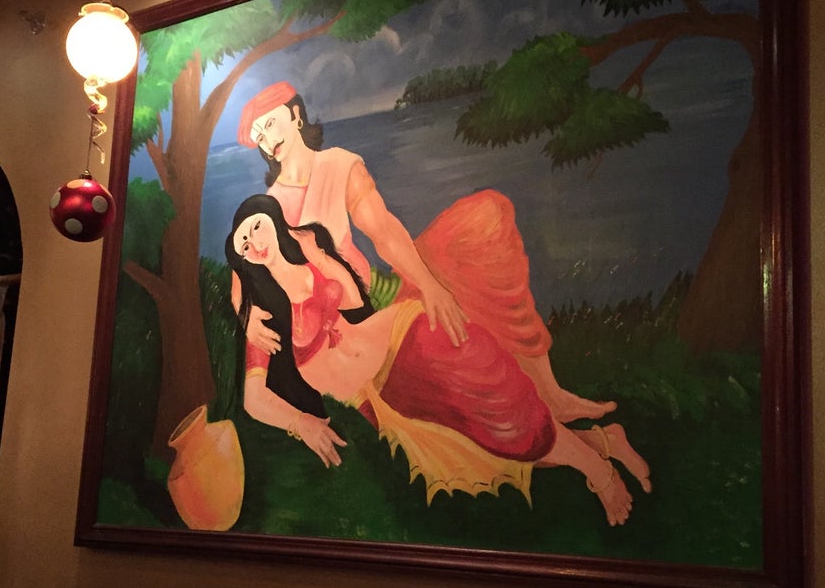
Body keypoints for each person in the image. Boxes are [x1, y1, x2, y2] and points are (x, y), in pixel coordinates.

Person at [225, 195, 651, 526]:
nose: (255, 243)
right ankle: (604, 443)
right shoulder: (259, 317)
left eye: (257, 227)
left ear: (273, 221)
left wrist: (320, 258)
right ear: (241, 260)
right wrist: (300, 422)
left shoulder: (313, 256)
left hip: (399, 338)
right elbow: (253, 398)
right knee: (481, 450)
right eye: (244, 243)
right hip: (374, 400)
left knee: (498, 405)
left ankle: (598, 472)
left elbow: (356, 307)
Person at [233, 81, 615, 423]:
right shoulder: (265, 209)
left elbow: (383, 232)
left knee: (485, 221)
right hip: (352, 324)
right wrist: (246, 318)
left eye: (270, 124)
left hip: (381, 290)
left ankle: (550, 394)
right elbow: (243, 278)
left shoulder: (337, 165)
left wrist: (430, 285)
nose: (266, 140)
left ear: (295, 115)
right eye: (258, 136)